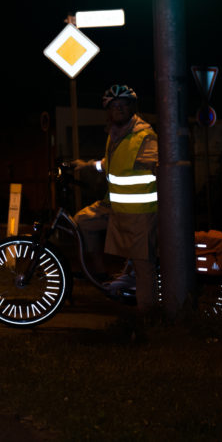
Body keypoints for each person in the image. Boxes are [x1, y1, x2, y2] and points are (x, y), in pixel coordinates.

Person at [71, 84, 159, 312]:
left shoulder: (144, 136)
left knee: (143, 265)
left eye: (123, 105)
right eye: (114, 106)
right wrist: (86, 166)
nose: (118, 109)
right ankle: (102, 274)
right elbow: (109, 164)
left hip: (140, 213)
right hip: (115, 207)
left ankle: (148, 318)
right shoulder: (116, 135)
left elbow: (160, 167)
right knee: (82, 221)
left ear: (132, 108)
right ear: (108, 111)